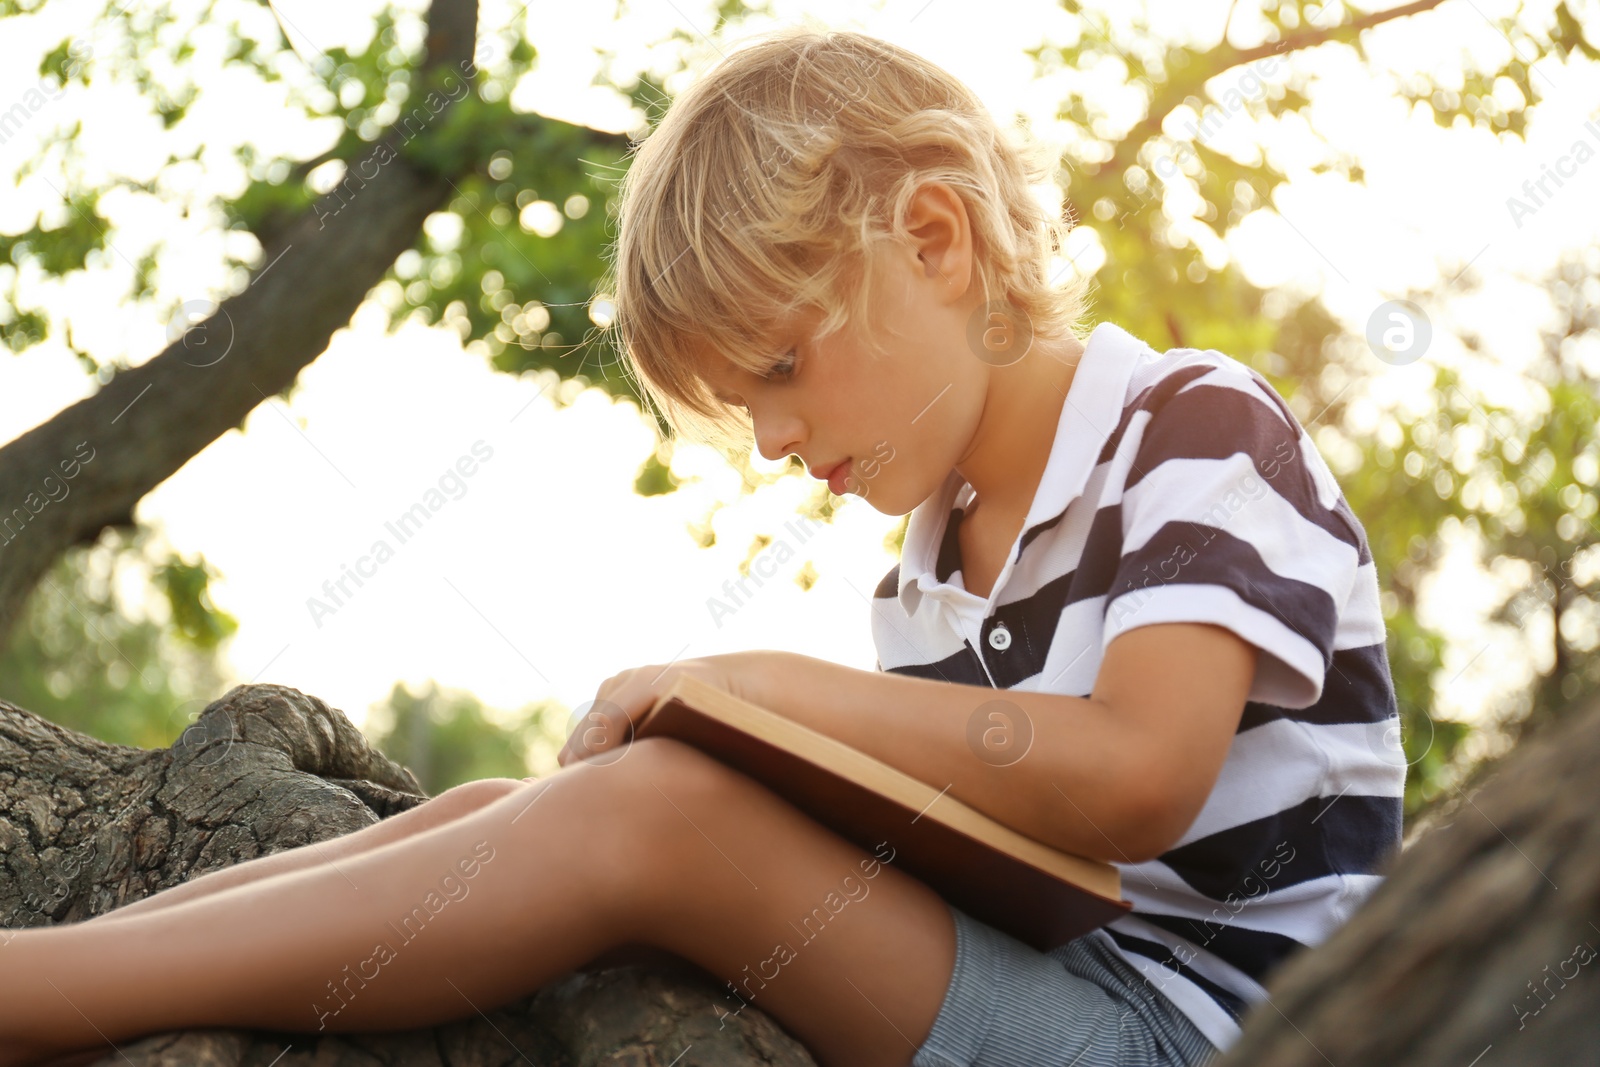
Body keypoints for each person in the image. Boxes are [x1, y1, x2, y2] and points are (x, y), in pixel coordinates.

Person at [0, 24, 1405, 1067]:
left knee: (652, 813)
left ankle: (37, 1003)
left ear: (935, 240)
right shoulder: (926, 568)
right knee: (513, 810)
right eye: (745, 408)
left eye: (784, 367)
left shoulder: (1193, 430)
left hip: (1225, 1039)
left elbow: (1137, 779)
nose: (779, 443)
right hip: (1059, 985)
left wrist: (754, 688)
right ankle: (68, 963)